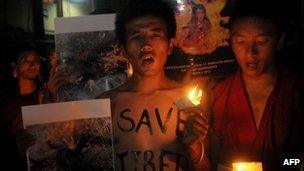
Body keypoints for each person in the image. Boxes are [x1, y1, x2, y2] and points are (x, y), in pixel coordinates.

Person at [97, 0, 210, 170]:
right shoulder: (107, 104)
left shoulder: (190, 102)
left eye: (155, 35)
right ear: (124, 50)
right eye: (136, 37)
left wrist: (195, 149)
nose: (146, 45)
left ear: (170, 45)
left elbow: (207, 167)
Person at [206, 2, 304, 170]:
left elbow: (300, 161)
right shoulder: (219, 94)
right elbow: (214, 159)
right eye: (240, 41)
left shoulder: (296, 92)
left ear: (279, 41)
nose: (250, 53)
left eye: (261, 41)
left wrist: (271, 166)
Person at [0, 49, 65, 170]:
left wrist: (50, 96)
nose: (32, 64)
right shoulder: (5, 97)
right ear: (15, 67)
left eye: (36, 60)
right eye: (25, 61)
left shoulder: (45, 93)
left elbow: (54, 130)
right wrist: (13, 141)